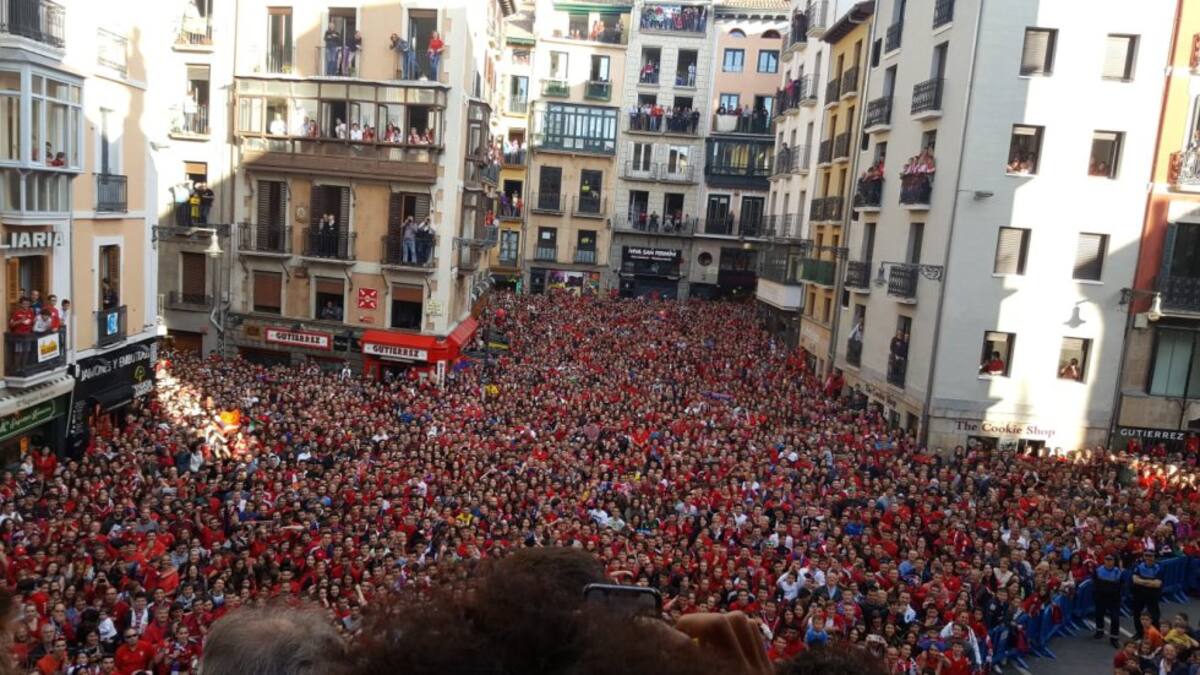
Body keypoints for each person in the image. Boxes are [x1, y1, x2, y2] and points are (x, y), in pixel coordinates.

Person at [1131, 551, 1163, 641]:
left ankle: (1155, 633)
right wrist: (1150, 582)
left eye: (1151, 556)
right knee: (1137, 614)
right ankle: (1139, 633)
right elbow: (1135, 580)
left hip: (1152, 595)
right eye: (1146, 555)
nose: (1148, 558)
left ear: (1154, 557)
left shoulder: (1159, 568)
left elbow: (1157, 584)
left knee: (1154, 615)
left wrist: (1142, 581)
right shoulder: (1138, 566)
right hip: (1139, 594)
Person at [1093, 553, 1122, 647]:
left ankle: (1114, 638)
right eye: (1107, 559)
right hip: (1101, 597)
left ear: (1114, 561)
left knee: (1115, 618)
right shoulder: (1098, 570)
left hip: (1114, 599)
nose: (1108, 561)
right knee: (1099, 614)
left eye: (1111, 559)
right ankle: (1099, 631)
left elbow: (1120, 586)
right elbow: (1095, 584)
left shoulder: (1118, 572)